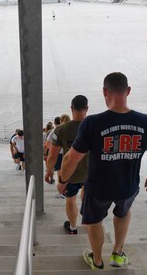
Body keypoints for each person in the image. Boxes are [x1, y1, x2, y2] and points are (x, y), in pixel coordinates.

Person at [60, 72, 147, 270]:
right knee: (123, 214)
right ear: (128, 91)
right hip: (128, 186)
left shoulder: (92, 123)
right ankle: (117, 254)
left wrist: (63, 180)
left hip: (98, 188)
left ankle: (97, 260)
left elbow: (70, 159)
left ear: (104, 92)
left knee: (95, 221)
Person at [45, 95, 88, 234]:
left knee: (71, 199)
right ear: (87, 109)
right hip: (91, 173)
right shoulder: (94, 126)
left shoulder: (60, 130)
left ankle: (73, 227)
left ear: (71, 108)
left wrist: (49, 171)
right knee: (87, 195)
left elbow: (52, 155)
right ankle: (89, 222)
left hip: (70, 174)